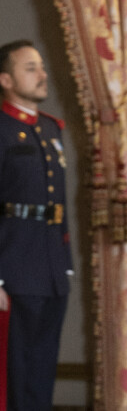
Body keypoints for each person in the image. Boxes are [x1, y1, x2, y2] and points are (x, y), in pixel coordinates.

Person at [0, 40, 73, 411]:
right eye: (30, 68)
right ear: (6, 79)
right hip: (13, 271)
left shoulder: (50, 129)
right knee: (14, 376)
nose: (42, 74)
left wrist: (66, 263)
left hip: (51, 271)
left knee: (42, 373)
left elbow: (58, 206)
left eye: (41, 66)